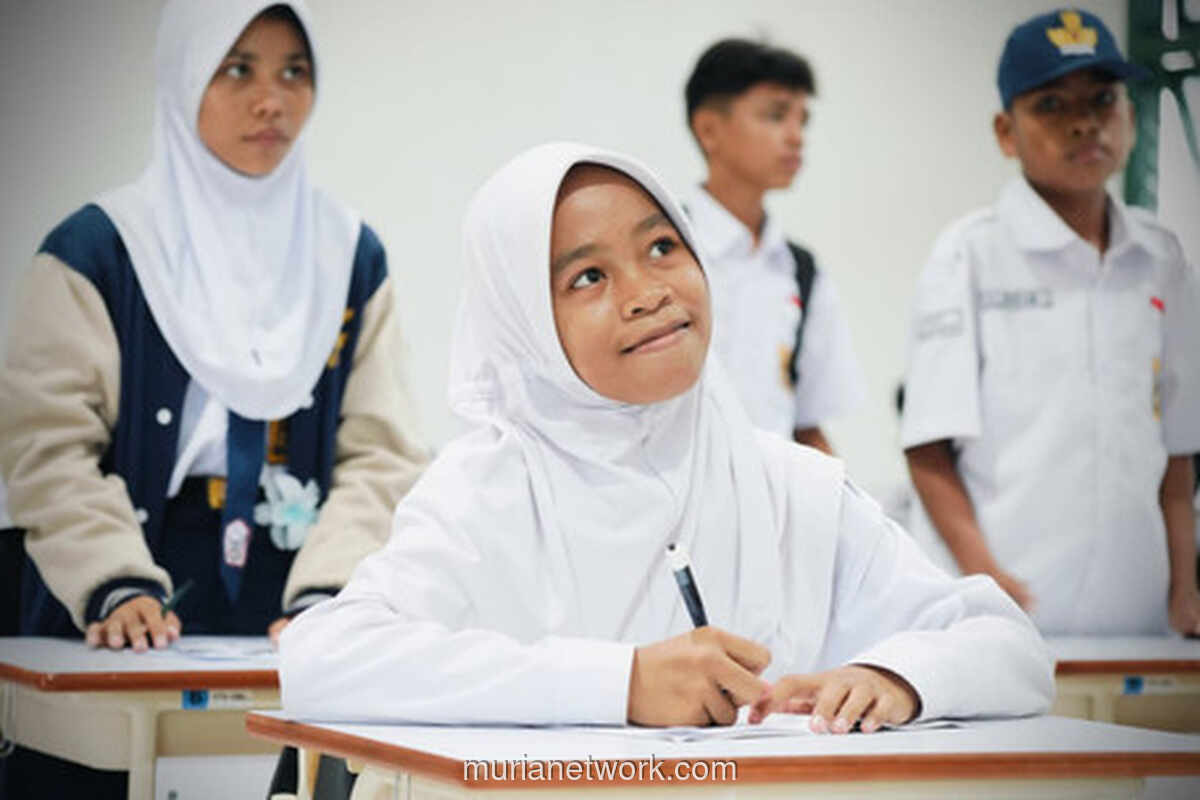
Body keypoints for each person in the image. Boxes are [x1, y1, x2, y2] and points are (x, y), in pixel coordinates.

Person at [279, 142, 1053, 733]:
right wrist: (620, 685)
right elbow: (322, 661)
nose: (647, 293)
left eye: (661, 248)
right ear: (523, 323)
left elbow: (1010, 646)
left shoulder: (790, 484)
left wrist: (900, 675)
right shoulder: (486, 488)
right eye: (588, 277)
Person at [0, 1, 426, 795]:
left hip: (291, 591)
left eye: (294, 72)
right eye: (238, 70)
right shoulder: (100, 249)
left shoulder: (348, 255)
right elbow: (45, 446)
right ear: (183, 78)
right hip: (120, 594)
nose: (273, 101)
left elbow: (383, 449)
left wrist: (333, 596)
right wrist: (112, 580)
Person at [901, 9, 1200, 635]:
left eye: (1103, 100)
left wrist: (1185, 585)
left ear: (1132, 116)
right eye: (1052, 105)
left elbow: (1176, 451)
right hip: (1004, 607)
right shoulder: (970, 254)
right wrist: (988, 582)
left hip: (1139, 612)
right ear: (1006, 133)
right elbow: (929, 450)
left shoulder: (1160, 258)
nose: (1083, 122)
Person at [681, 39, 864, 453]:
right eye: (776, 116)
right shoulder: (660, 251)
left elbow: (806, 425)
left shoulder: (800, 271)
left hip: (771, 504)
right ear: (709, 129)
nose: (796, 137)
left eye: (804, 120)